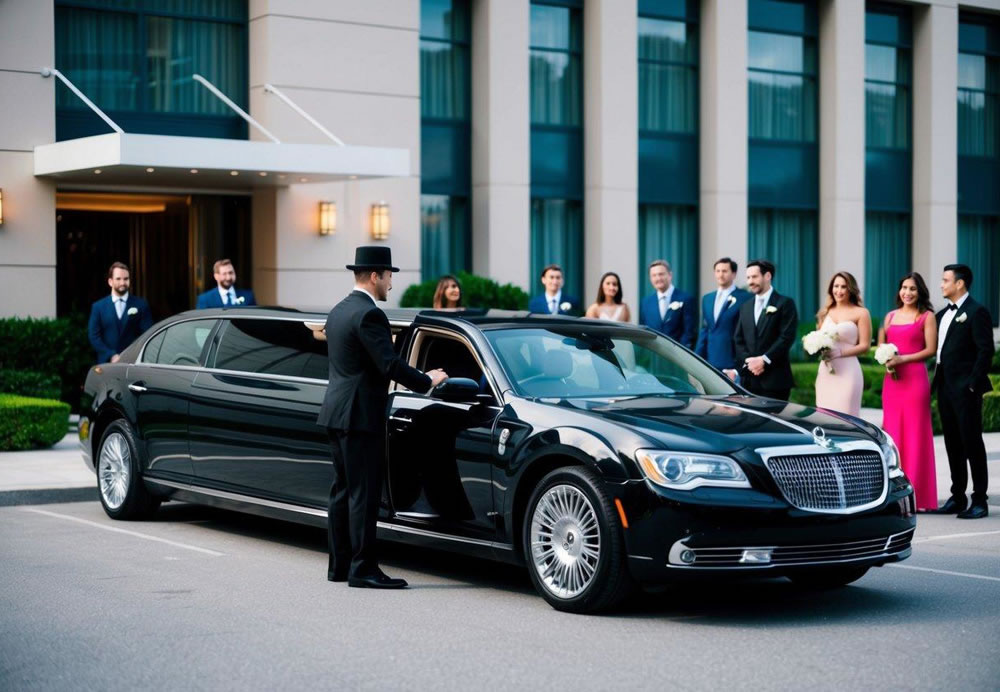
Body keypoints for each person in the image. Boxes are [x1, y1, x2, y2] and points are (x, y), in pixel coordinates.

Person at [316, 246, 449, 588]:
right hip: (360, 417)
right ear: (375, 276)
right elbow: (389, 364)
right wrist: (427, 381)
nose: (391, 283)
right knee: (364, 494)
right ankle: (363, 569)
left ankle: (340, 566)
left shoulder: (338, 311)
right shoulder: (369, 315)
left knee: (343, 491)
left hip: (335, 412)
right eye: (389, 276)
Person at [931, 264, 995, 519]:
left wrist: (971, 383)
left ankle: (979, 500)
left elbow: (986, 350)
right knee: (952, 444)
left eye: (945, 280)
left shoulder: (977, 311)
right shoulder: (942, 315)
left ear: (960, 284)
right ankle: (957, 497)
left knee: (972, 444)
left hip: (966, 389)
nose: (941, 284)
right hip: (945, 388)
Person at [878, 273, 938, 512]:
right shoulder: (890, 317)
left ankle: (919, 496)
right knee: (893, 433)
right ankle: (894, 494)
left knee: (916, 434)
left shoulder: (927, 317)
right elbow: (882, 346)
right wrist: (886, 360)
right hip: (892, 382)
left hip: (915, 380)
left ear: (920, 292)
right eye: (904, 288)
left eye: (912, 289)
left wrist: (903, 358)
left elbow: (930, 349)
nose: (908, 293)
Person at [730, 259, 797, 400]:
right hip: (749, 381)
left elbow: (786, 337)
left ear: (767, 276)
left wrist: (764, 360)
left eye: (754, 277)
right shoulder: (745, 306)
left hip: (775, 381)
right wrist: (750, 363)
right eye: (748, 277)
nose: (750, 282)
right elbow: (738, 338)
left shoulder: (785, 303)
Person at [813, 272, 871, 417]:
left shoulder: (861, 313)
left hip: (848, 372)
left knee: (846, 418)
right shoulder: (825, 312)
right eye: (836, 286)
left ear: (850, 289)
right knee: (824, 417)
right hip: (826, 371)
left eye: (843, 287)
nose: (838, 290)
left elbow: (865, 346)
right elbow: (819, 339)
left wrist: (840, 353)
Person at [87, 261, 153, 364]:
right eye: (118, 279)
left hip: (133, 362)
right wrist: (111, 355)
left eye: (126, 279)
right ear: (110, 281)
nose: (123, 283)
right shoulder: (98, 307)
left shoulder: (141, 305)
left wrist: (132, 355)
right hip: (106, 363)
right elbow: (94, 336)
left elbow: (147, 333)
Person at [695, 257, 751, 370]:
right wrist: (697, 357)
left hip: (733, 359)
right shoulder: (707, 298)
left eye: (725, 271)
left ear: (734, 274)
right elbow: (705, 329)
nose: (721, 275)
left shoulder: (745, 298)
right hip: (710, 359)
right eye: (718, 271)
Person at [639, 260, 696, 348]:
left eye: (661, 274)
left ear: (670, 275)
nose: (658, 278)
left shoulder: (686, 299)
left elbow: (689, 332)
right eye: (654, 275)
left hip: (678, 354)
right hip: (653, 354)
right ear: (650, 279)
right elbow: (643, 331)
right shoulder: (645, 302)